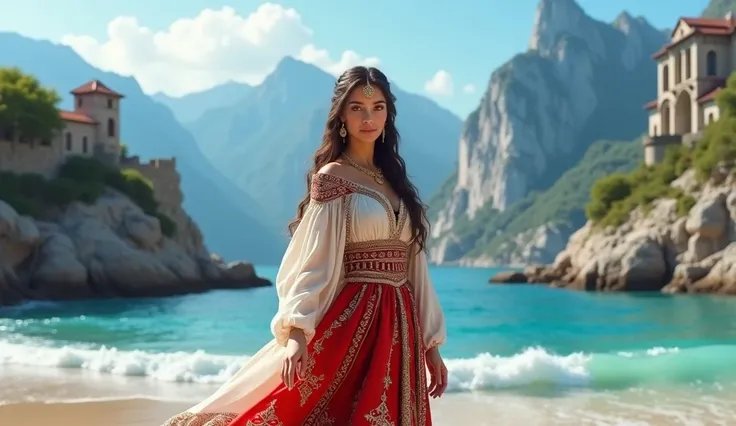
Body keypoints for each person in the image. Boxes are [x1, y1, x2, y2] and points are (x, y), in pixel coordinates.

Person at [162, 65, 447, 426]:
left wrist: (431, 344)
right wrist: (296, 332)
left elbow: (415, 268)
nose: (368, 117)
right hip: (353, 322)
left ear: (388, 114)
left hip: (401, 326)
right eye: (357, 107)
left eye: (377, 108)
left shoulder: (396, 182)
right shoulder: (333, 178)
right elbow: (312, 262)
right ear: (341, 115)